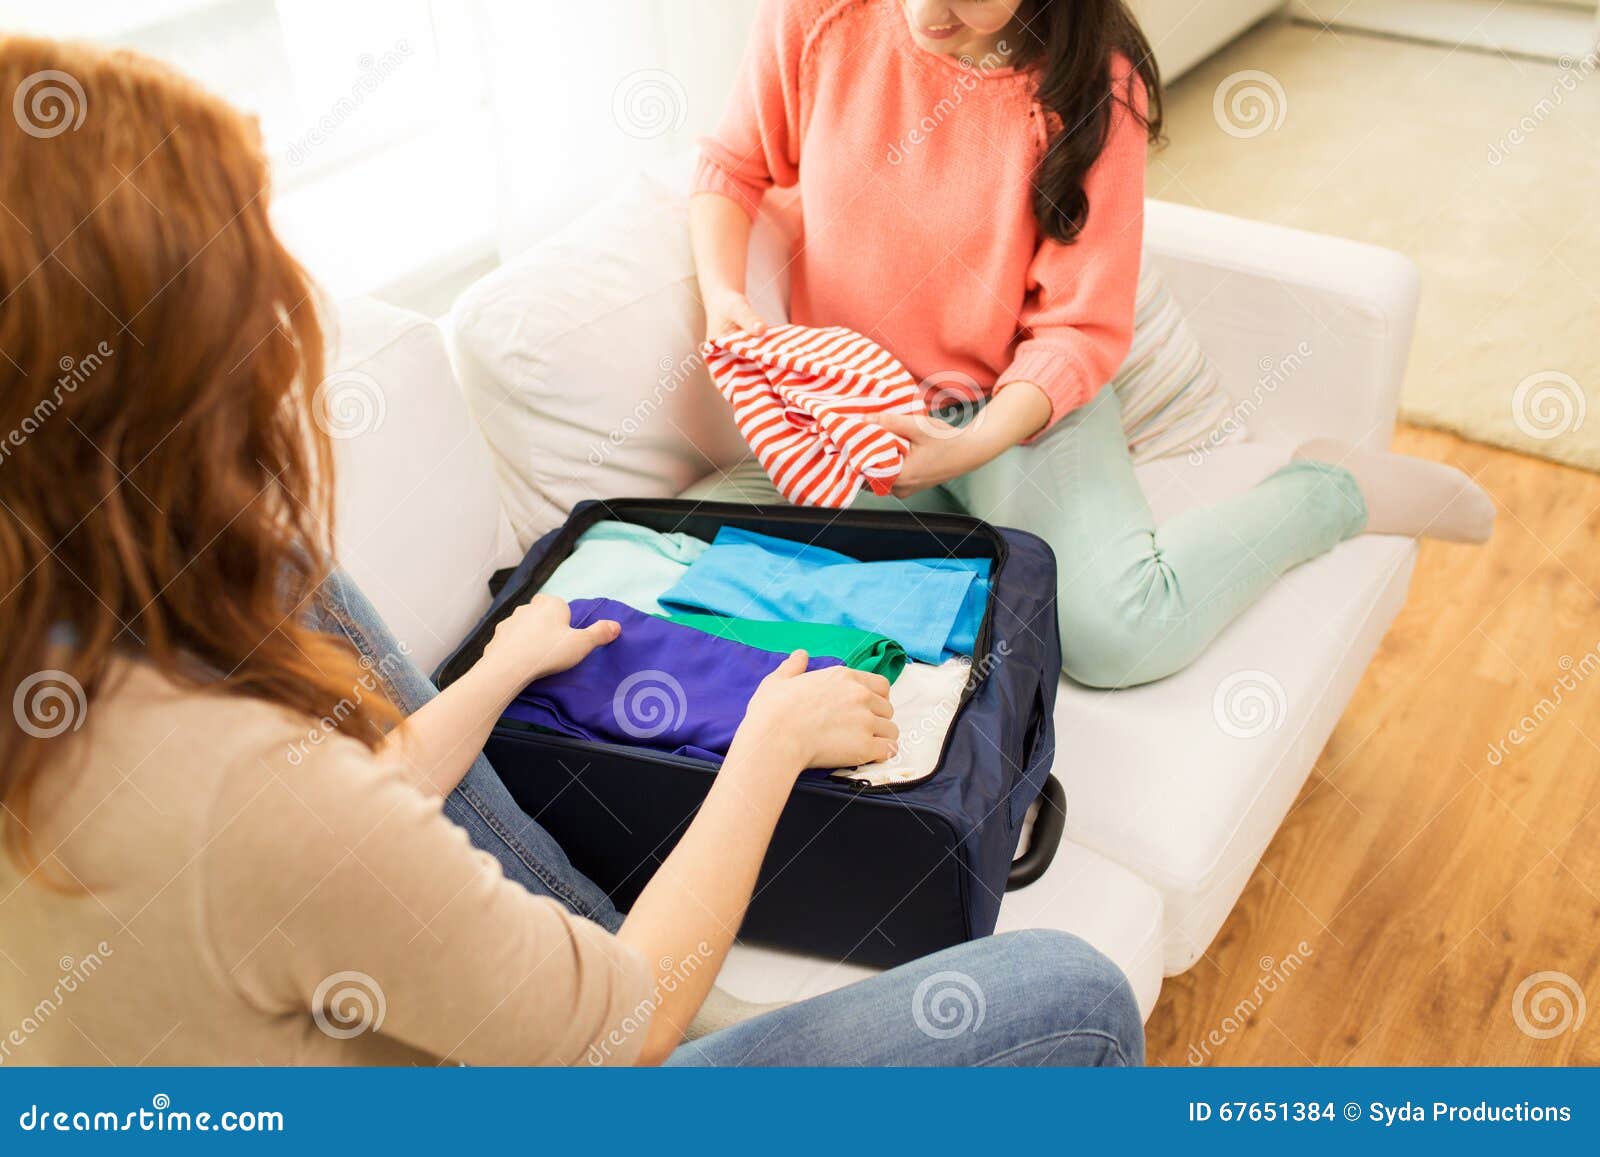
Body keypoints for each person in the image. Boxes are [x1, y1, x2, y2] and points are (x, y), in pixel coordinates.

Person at [0, 34, 1142, 1068]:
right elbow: (618, 1031)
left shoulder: (99, 670)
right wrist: (769, 743)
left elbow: (332, 817)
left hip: (476, 997)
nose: (290, 304)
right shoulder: (241, 792)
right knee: (1074, 991)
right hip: (582, 1065)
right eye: (252, 262)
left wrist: (497, 667)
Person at [687, 0, 1495, 689]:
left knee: (1120, 634)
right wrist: (726, 297)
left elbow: (1077, 330)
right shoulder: (819, 16)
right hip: (864, 413)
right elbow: (733, 165)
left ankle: (1327, 490)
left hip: (1015, 412)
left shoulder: (1092, 90)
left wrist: (974, 445)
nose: (928, 12)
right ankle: (974, 566)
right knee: (688, 541)